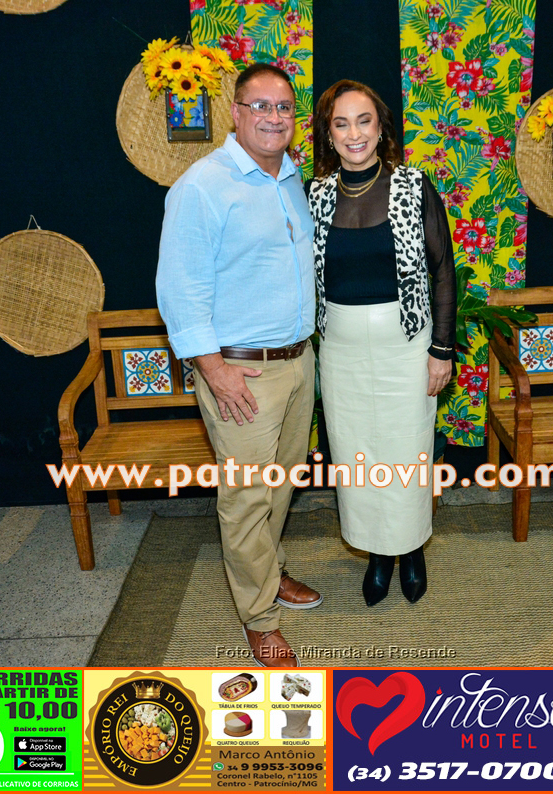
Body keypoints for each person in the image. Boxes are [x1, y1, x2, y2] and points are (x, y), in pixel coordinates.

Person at [156, 63, 321, 668]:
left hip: (298, 362)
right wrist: (213, 368)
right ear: (236, 112)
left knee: (281, 485)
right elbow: (179, 289)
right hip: (241, 371)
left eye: (284, 107)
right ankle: (259, 618)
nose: (274, 117)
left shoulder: (292, 180)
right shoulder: (202, 186)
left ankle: (268, 574)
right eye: (261, 105)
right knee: (249, 496)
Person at [306, 80, 456, 606]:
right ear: (328, 134)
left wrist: (442, 350)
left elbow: (442, 270)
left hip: (406, 345)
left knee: (406, 450)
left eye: (363, 120)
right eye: (341, 123)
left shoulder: (413, 186)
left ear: (381, 127)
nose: (354, 133)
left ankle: (410, 550)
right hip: (340, 350)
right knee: (357, 454)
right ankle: (376, 554)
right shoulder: (314, 195)